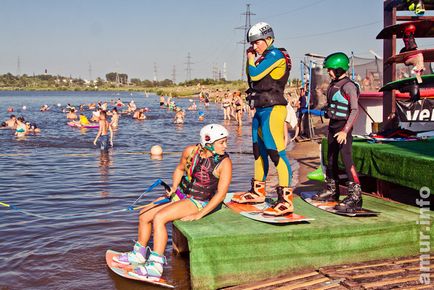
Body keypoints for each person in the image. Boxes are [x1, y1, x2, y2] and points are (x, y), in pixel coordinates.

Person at [113, 124, 232, 281]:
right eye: (222, 142)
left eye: (225, 142)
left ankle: (155, 267)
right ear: (208, 142)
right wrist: (174, 188)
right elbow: (179, 169)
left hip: (198, 201)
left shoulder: (224, 163)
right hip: (180, 194)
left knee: (160, 218)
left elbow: (221, 194)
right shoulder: (191, 151)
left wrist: (199, 215)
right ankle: (139, 255)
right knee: (144, 215)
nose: (225, 146)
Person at [231, 22, 293, 216]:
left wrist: (250, 59)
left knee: (276, 153)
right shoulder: (263, 57)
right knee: (258, 151)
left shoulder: (276, 55)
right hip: (260, 109)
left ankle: (285, 200)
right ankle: (258, 192)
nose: (254, 47)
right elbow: (252, 79)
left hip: (274, 110)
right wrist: (251, 59)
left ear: (268, 39)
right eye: (252, 44)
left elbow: (256, 74)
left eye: (256, 43)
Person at [312, 52, 362, 213]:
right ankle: (333, 191)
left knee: (347, 160)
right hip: (333, 126)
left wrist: (345, 131)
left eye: (331, 69)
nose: (328, 72)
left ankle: (355, 197)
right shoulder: (334, 84)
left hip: (343, 127)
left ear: (340, 69)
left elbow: (354, 110)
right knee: (331, 159)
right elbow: (332, 106)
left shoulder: (349, 86)